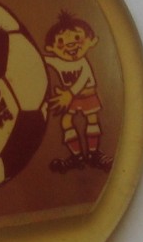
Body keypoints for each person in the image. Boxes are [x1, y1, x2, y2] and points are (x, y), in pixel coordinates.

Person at [43, 10, 112, 172]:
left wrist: (69, 94)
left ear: (92, 41)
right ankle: (77, 156)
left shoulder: (83, 63)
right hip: (71, 98)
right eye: (61, 41)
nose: (71, 45)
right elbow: (42, 59)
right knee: (66, 122)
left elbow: (83, 78)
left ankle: (94, 154)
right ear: (51, 48)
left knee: (92, 119)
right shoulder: (58, 62)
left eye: (77, 38)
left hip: (87, 95)